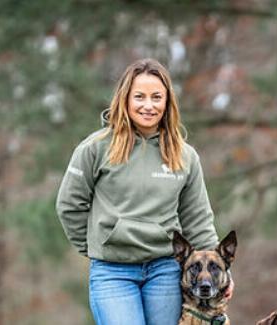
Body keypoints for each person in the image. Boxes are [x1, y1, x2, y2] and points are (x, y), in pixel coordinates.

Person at [55, 58, 231, 325]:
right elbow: (69, 205)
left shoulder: (185, 155)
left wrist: (220, 274)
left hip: (165, 271)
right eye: (139, 96)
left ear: (167, 102)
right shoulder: (95, 148)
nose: (148, 105)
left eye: (156, 97)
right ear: (125, 99)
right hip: (112, 272)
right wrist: (98, 244)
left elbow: (198, 220)